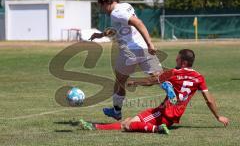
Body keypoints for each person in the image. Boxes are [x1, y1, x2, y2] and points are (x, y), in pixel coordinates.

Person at [78, 49, 229, 134]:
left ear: (183, 62)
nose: (175, 62)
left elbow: (150, 81)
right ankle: (95, 126)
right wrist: (218, 116)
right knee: (129, 120)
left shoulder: (173, 74)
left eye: (177, 60)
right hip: (175, 114)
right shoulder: (199, 77)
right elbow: (209, 100)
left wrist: (133, 81)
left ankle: (156, 129)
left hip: (164, 112)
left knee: (128, 125)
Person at [89, 0, 162, 120]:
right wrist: (100, 34)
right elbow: (117, 29)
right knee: (160, 77)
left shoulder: (116, 13)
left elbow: (139, 23)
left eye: (101, 5)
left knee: (119, 81)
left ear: (106, 2)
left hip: (130, 51)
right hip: (143, 48)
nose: (102, 9)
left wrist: (151, 44)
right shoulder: (126, 6)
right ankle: (174, 95)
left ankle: (117, 111)